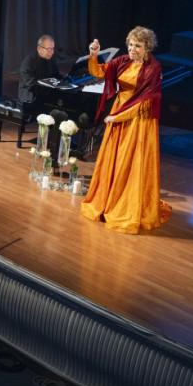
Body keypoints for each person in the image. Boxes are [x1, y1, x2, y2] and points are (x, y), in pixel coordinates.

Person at [80, 28, 172, 233]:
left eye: (137, 46)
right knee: (112, 160)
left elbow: (147, 102)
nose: (132, 49)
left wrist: (117, 117)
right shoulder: (122, 61)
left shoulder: (153, 69)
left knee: (130, 163)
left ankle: (126, 205)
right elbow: (99, 72)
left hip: (138, 122)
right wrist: (94, 55)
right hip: (119, 114)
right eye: (130, 44)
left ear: (147, 47)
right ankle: (108, 200)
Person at [17, 34, 61, 103]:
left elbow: (56, 76)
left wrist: (66, 82)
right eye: (49, 49)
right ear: (39, 49)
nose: (52, 52)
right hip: (29, 97)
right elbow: (32, 85)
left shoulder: (52, 59)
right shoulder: (29, 62)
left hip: (46, 91)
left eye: (53, 49)